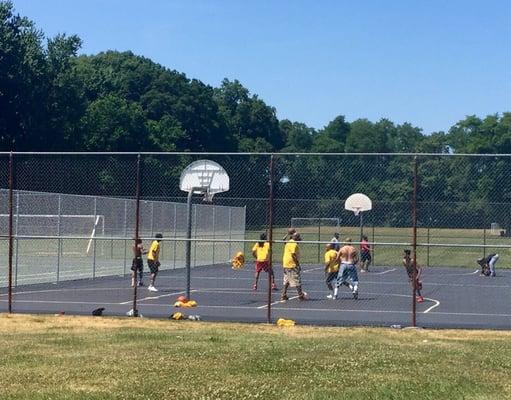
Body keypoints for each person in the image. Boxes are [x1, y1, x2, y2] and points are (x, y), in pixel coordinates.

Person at [281, 232, 307, 301]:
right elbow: (293, 255)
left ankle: (283, 294)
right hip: (291, 264)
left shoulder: (289, 242)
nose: (299, 240)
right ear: (296, 238)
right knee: (297, 279)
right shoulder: (294, 244)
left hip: (286, 263)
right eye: (298, 238)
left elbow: (283, 240)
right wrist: (298, 264)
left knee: (286, 280)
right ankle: (300, 295)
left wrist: (287, 234)